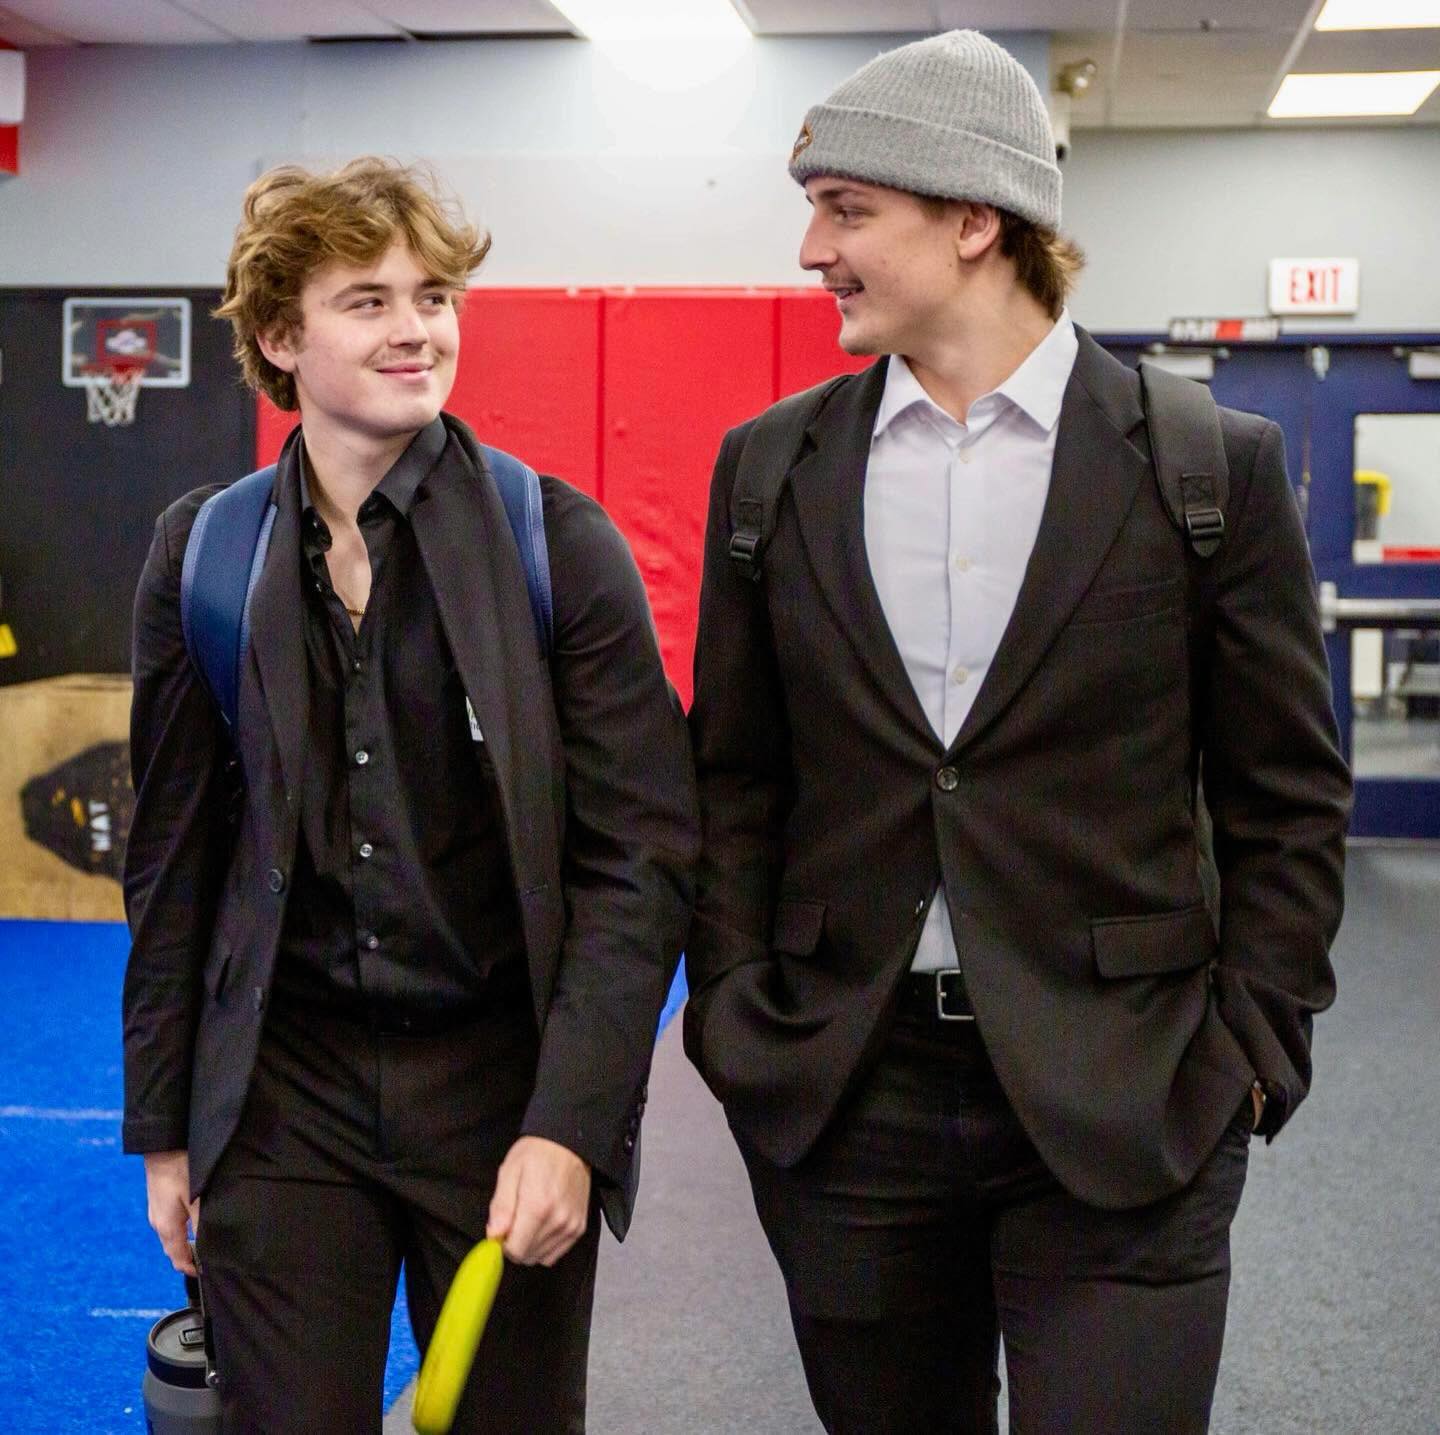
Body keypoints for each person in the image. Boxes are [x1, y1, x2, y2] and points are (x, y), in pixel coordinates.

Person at [684, 31, 1350, 1434]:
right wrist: (741, 1016)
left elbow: (1286, 794)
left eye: (848, 209)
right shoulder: (775, 467)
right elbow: (736, 777)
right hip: (848, 1098)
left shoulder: (1203, 465)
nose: (813, 247)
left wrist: (1249, 1050)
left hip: (1133, 1092)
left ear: (977, 220)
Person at [122, 157, 698, 1433]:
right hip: (283, 1096)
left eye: (434, 296)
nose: (416, 329)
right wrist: (167, 1130)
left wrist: (573, 1125)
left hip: (504, 1099)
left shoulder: (562, 544)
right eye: (368, 300)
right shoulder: (204, 554)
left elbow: (640, 862)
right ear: (282, 336)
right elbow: (172, 860)